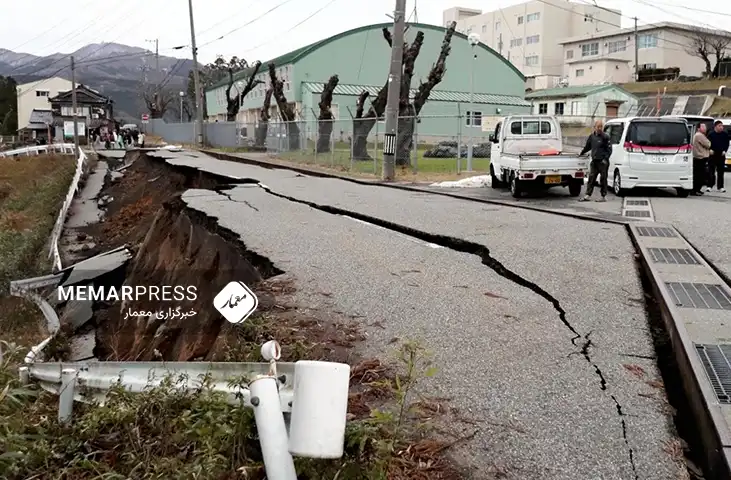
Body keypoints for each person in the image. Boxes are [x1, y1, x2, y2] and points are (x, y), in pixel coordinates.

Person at [578, 119, 612, 202]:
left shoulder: (605, 137)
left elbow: (609, 150)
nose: (600, 128)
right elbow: (588, 146)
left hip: (603, 162)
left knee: (603, 179)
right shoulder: (592, 137)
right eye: (598, 127)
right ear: (594, 127)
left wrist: (605, 159)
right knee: (591, 178)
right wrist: (581, 153)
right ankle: (588, 195)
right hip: (594, 161)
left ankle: (603, 196)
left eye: (601, 127)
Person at [706, 120, 729, 193]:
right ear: (715, 127)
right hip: (712, 155)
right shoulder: (711, 134)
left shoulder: (725, 134)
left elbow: (727, 143)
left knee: (721, 172)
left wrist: (725, 150)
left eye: (722, 126)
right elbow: (707, 143)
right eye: (720, 126)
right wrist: (709, 149)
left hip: (721, 155)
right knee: (711, 171)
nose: (721, 127)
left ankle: (720, 187)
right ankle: (709, 186)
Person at [691, 123, 711, 195]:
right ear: (698, 128)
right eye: (703, 127)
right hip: (700, 158)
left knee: (700, 175)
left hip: (699, 157)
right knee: (699, 175)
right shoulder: (699, 135)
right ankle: (695, 190)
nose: (705, 128)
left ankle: (697, 189)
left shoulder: (699, 135)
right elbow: (708, 144)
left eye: (705, 127)